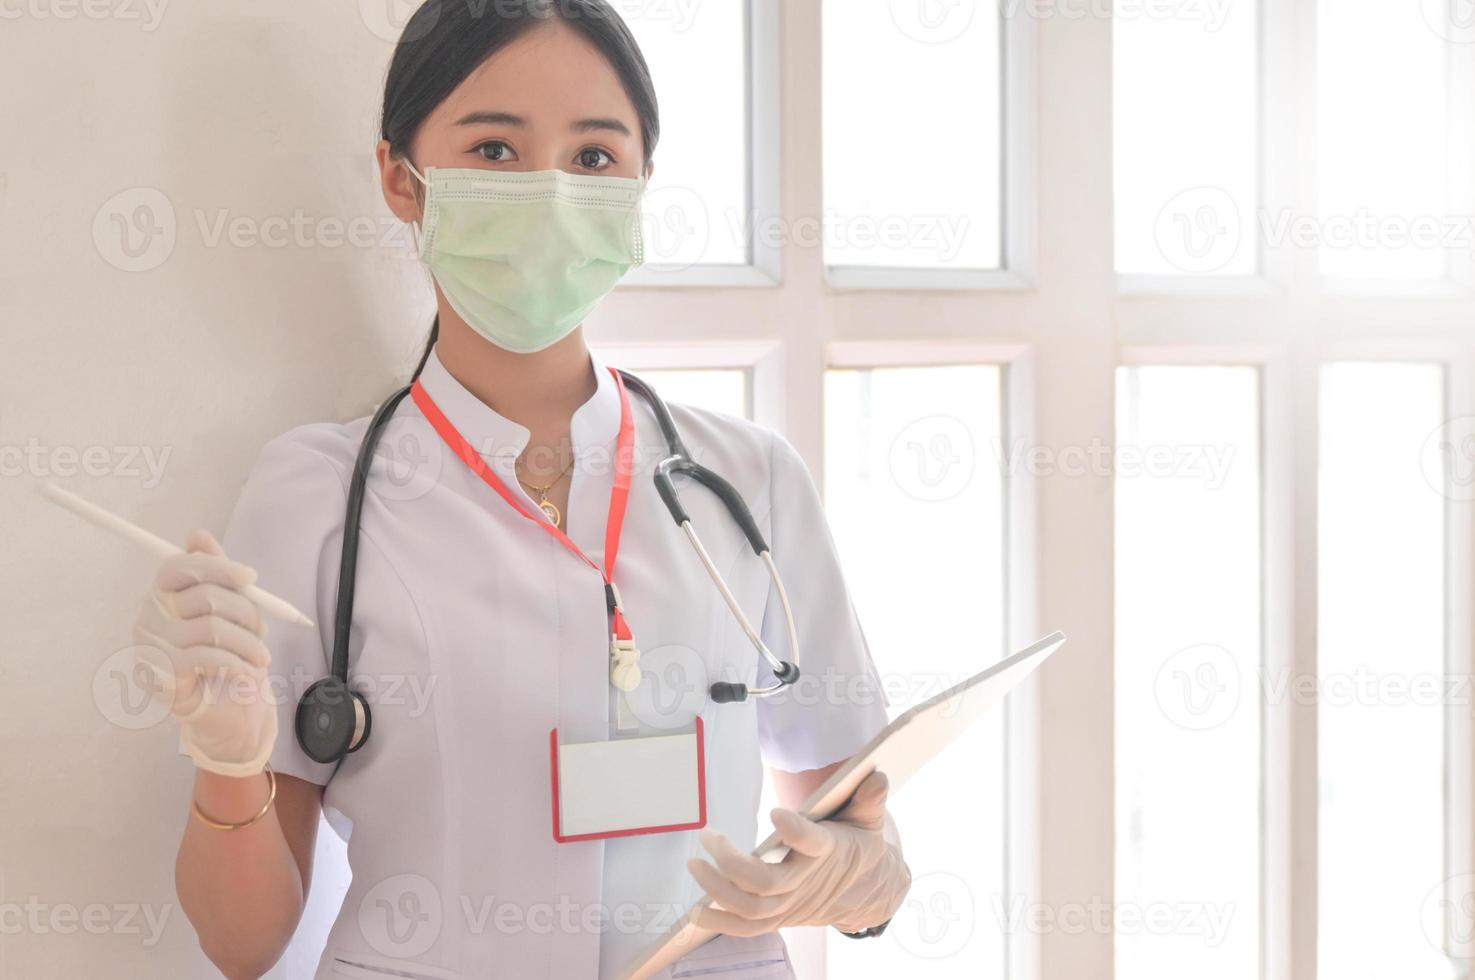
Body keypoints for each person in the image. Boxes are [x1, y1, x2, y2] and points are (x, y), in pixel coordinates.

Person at [132, 2, 911, 977]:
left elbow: (859, 822)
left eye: (591, 157)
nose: (547, 191)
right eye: (495, 148)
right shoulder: (319, 495)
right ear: (401, 179)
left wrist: (859, 873)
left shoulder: (749, 481)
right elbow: (245, 945)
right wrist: (229, 761)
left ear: (637, 185)